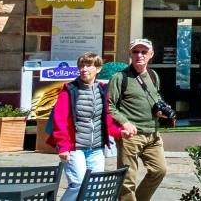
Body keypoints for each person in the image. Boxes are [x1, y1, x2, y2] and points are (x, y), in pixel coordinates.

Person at [50, 52, 121, 201]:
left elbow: (107, 119)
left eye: (88, 65)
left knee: (94, 186)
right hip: (74, 148)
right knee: (78, 184)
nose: (84, 69)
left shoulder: (102, 89)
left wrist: (120, 131)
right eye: (81, 65)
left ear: (98, 68)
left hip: (96, 148)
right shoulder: (69, 89)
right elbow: (59, 119)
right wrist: (63, 146)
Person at [108, 39, 172, 201]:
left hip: (152, 134)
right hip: (130, 136)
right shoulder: (119, 78)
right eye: (136, 52)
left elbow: (154, 99)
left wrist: (160, 112)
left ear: (151, 55)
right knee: (127, 180)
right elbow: (109, 106)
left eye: (144, 52)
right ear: (130, 54)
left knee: (159, 170)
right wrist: (125, 122)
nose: (140, 55)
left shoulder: (153, 75)